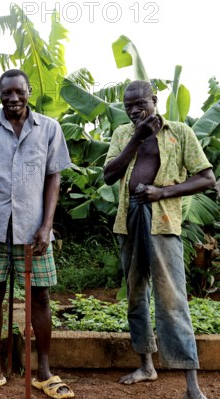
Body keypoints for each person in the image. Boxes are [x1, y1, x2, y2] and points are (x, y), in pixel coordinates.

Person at [0, 69, 74, 398]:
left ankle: (44, 371)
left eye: (18, 92)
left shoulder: (49, 129)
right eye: (5, 93)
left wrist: (47, 226)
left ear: (29, 92)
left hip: (34, 229)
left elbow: (54, 179)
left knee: (40, 298)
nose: (12, 98)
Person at [103, 80, 214, 399]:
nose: (135, 110)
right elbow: (109, 175)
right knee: (136, 294)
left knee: (172, 299)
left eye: (141, 104)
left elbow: (206, 177)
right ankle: (146, 365)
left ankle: (192, 386)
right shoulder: (123, 133)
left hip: (163, 220)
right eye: (128, 106)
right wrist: (136, 139)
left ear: (155, 100)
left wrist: (162, 192)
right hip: (129, 219)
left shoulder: (179, 132)